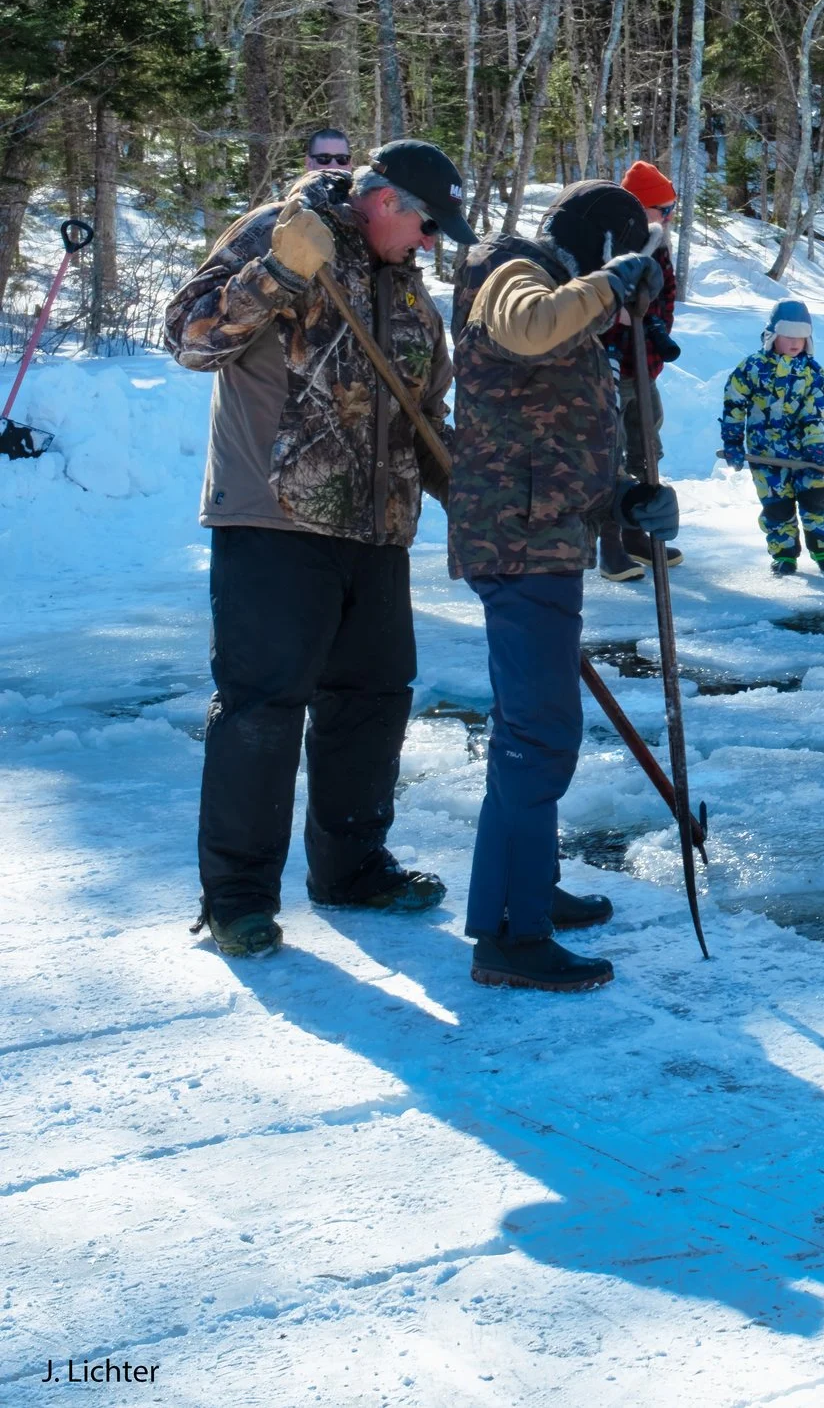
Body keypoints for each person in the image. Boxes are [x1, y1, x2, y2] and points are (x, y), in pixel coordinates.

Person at [165, 142, 465, 959]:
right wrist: (279, 274)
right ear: (387, 200)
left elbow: (426, 415)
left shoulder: (404, 284)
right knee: (263, 709)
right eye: (427, 224)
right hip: (274, 517)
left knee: (372, 700)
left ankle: (353, 868)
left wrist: (481, 503)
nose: (431, 243)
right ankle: (237, 899)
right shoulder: (282, 230)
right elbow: (190, 340)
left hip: (377, 529)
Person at [447, 180, 676, 992]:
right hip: (518, 543)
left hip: (539, 534)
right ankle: (510, 932)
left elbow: (542, 431)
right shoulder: (514, 267)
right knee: (537, 735)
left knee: (530, 727)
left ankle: (528, 888)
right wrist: (612, 284)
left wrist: (622, 497)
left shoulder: (555, 288)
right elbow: (526, 330)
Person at [594, 159, 684, 580]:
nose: (667, 219)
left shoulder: (659, 253)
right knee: (608, 456)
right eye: (662, 210)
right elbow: (589, 309)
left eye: (670, 211)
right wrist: (618, 313)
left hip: (644, 371)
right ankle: (609, 546)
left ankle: (639, 533)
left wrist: (648, 317)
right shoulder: (605, 251)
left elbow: (665, 306)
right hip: (608, 374)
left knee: (647, 448)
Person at [720, 300, 824, 574]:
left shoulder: (812, 372)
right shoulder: (752, 367)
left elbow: (814, 413)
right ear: (773, 335)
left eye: (801, 336)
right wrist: (732, 443)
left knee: (816, 496)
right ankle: (784, 554)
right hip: (765, 454)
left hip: (804, 453)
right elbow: (734, 405)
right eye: (789, 336)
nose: (795, 342)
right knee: (777, 505)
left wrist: (815, 447)